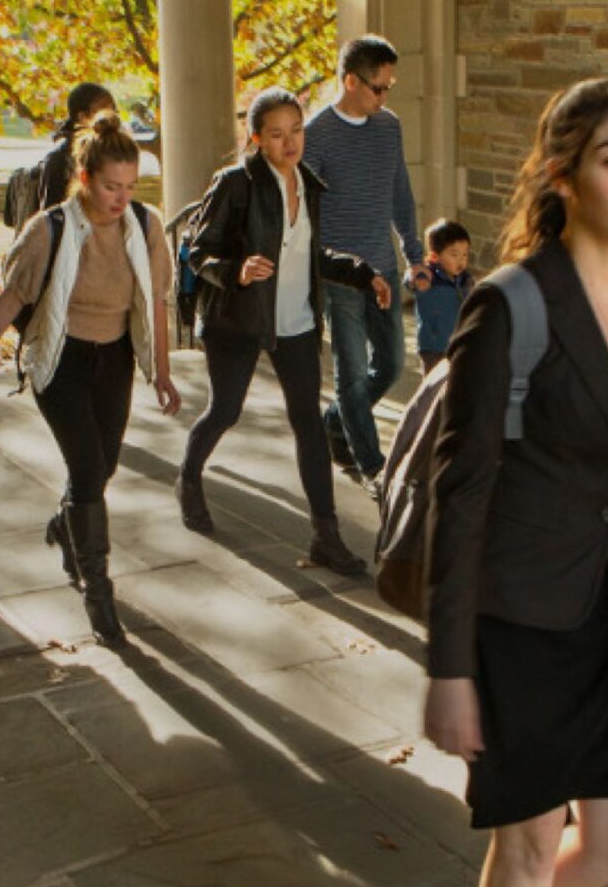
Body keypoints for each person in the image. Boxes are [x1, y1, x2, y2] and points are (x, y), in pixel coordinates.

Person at [424, 77, 608, 887]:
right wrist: (450, 668)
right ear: (564, 175)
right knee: (530, 839)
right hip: (521, 612)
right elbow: (460, 492)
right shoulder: (512, 304)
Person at [0, 116, 179, 646]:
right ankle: (97, 591)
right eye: (110, 186)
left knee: (103, 468)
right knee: (85, 469)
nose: (122, 197)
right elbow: (12, 299)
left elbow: (157, 304)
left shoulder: (146, 227)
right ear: (84, 177)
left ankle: (65, 525)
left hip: (115, 358)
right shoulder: (49, 229)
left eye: (130, 187)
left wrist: (162, 372)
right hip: (60, 360)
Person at [175, 88, 387, 576]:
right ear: (257, 139)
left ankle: (326, 537)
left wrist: (361, 272)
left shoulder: (308, 185)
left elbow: (309, 254)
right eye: (277, 133)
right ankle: (188, 476)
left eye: (297, 130)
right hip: (238, 321)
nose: (290, 142)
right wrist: (237, 270)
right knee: (224, 410)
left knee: (308, 425)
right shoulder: (235, 184)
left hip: (296, 322)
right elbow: (199, 252)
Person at [303, 34, 429, 485]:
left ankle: (336, 422)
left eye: (389, 87)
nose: (385, 96)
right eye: (379, 87)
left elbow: (400, 194)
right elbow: (304, 214)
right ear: (351, 81)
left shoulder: (389, 126)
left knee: (392, 365)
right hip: (341, 278)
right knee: (352, 373)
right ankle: (372, 465)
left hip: (386, 266)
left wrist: (414, 255)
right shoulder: (316, 136)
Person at [35, 81, 120, 212]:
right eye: (104, 110)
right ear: (82, 116)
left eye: (114, 110)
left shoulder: (116, 152)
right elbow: (51, 215)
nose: (112, 116)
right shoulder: (59, 159)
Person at [416, 219, 474, 371]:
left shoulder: (465, 280)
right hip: (433, 347)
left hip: (457, 344)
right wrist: (417, 278)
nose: (461, 260)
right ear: (435, 257)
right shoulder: (427, 276)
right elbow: (410, 280)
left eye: (465, 255)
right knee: (432, 388)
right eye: (454, 254)